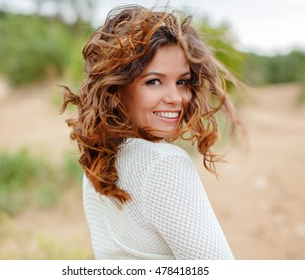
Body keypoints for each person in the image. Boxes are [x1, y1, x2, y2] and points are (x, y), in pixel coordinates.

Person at [60, 4, 240, 260]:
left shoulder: (98, 158)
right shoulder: (164, 163)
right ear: (117, 88)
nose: (176, 98)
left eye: (182, 82)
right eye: (154, 81)